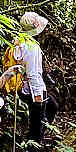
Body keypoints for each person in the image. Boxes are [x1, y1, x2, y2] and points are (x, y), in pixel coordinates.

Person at [15, 13, 49, 144]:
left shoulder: (19, 42)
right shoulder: (32, 47)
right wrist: (38, 96)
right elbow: (33, 73)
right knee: (36, 125)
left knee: (52, 106)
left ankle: (34, 142)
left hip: (22, 88)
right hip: (33, 90)